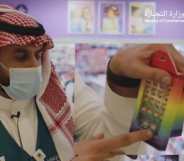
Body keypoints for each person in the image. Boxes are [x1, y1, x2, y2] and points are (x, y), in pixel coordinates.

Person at [0, 5, 183, 161]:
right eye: (21, 56)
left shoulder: (66, 93)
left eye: (39, 55)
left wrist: (120, 78)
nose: (36, 66)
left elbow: (121, 146)